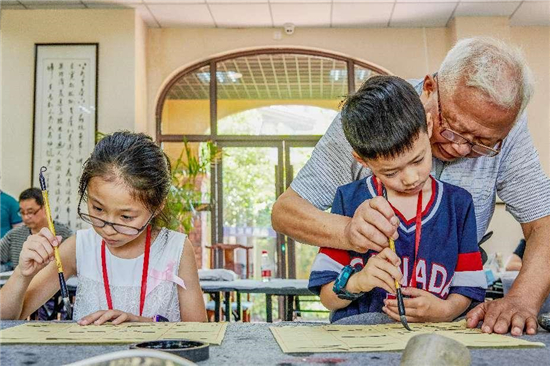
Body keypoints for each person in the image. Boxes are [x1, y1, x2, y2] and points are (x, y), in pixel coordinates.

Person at [272, 37, 550, 335]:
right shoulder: (372, 119)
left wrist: (522, 300)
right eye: (453, 128)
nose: (461, 150)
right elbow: (285, 212)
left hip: (449, 325)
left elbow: (542, 225)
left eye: (484, 144)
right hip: (364, 323)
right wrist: (348, 232)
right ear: (430, 88)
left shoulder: (504, 131)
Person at [309, 76, 485, 323]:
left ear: (429, 124)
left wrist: (445, 311)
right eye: (391, 172)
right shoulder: (348, 200)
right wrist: (359, 281)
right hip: (360, 343)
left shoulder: (458, 204)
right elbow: (328, 296)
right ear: (362, 160)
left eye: (418, 159)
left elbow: (470, 287)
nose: (411, 178)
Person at [0, 131, 207, 324]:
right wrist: (22, 274)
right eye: (97, 209)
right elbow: (7, 319)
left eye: (126, 217)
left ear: (157, 207)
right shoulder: (78, 247)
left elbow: (199, 332)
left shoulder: (176, 249)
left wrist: (142, 324)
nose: (108, 228)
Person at [1, 188, 72, 270]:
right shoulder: (14, 235)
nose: (26, 217)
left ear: (45, 208)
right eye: (22, 212)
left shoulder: (64, 234)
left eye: (30, 212)